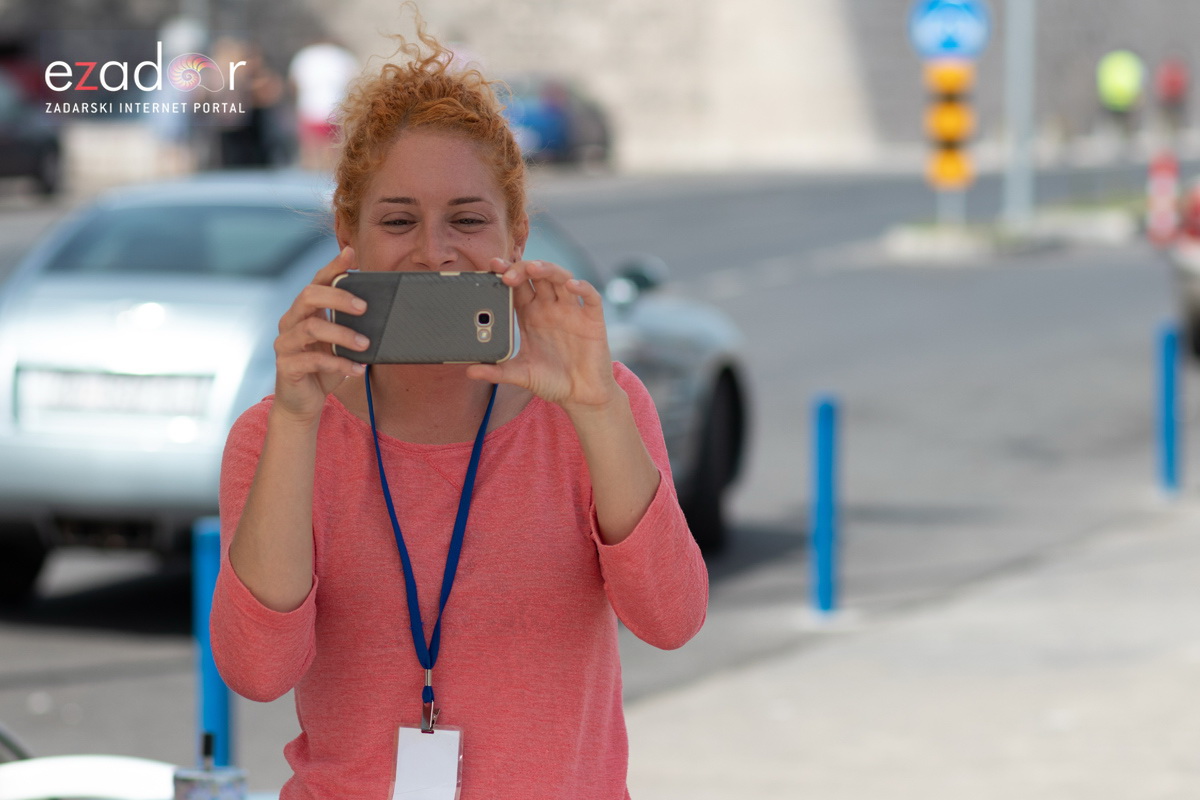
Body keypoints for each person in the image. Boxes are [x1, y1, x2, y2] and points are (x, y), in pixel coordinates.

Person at [210, 13, 708, 800]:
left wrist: (597, 406)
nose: (435, 251)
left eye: (468, 219)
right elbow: (257, 673)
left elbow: (671, 620)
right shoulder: (276, 434)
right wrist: (298, 421)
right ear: (349, 233)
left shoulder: (594, 407)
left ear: (517, 231)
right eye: (398, 219)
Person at [288, 37, 358, 170]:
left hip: (310, 107)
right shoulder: (342, 56)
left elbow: (294, 83)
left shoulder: (305, 55)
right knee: (333, 149)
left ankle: (309, 178)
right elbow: (354, 82)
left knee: (311, 149)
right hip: (336, 108)